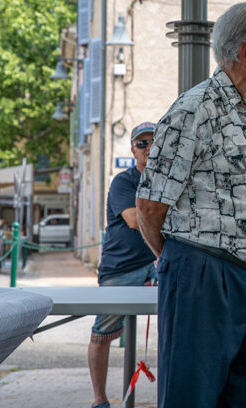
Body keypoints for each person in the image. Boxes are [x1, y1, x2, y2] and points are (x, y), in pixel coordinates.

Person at [135, 2, 246, 407]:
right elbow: (150, 205)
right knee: (193, 395)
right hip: (205, 276)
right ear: (245, 54)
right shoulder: (194, 109)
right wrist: (180, 263)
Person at [88, 121, 158, 408]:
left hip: (155, 264)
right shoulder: (123, 181)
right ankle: (100, 400)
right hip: (121, 269)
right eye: (142, 143)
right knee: (102, 333)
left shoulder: (169, 178)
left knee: (183, 319)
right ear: (133, 151)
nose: (149, 147)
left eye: (154, 141)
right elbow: (134, 220)